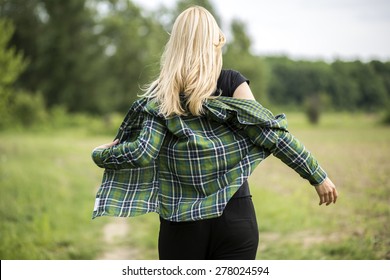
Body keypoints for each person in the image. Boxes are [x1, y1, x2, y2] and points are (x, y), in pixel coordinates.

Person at [91, 6, 338, 260]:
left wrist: (102, 154)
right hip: (235, 218)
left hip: (180, 222)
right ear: (214, 41)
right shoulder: (232, 83)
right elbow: (272, 134)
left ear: (175, 44)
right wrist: (317, 176)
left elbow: (143, 152)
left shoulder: (161, 96)